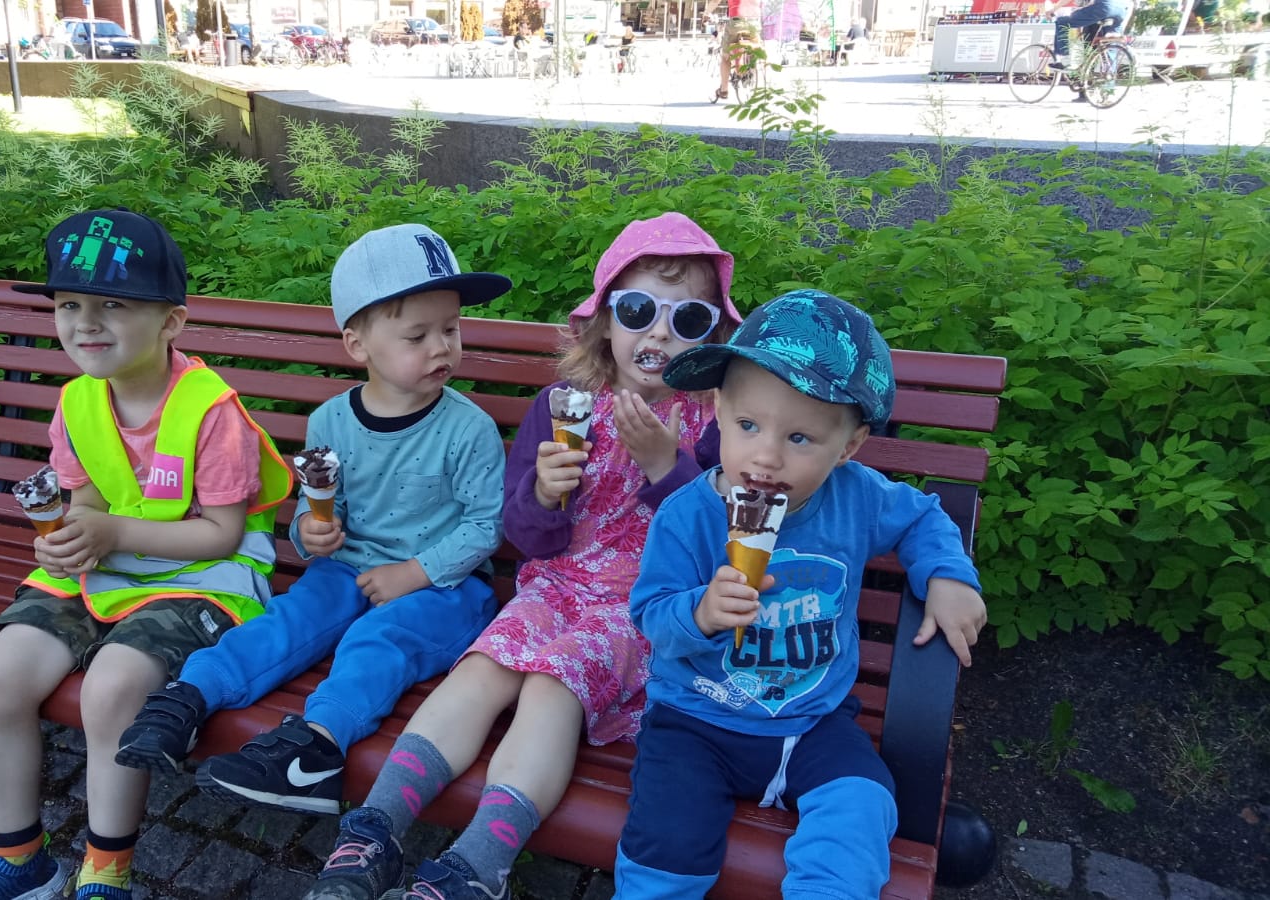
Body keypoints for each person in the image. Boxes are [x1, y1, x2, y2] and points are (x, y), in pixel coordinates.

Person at [295, 213, 741, 900]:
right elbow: (529, 537)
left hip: (646, 605)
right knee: (482, 668)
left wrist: (666, 467)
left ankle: (479, 864)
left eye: (687, 320)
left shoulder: (716, 423)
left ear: (711, 334)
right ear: (605, 321)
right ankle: (373, 830)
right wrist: (543, 492)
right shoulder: (565, 407)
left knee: (550, 685)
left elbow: (721, 545)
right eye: (639, 311)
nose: (658, 334)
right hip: (554, 586)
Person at [0, 208, 292, 900]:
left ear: (171, 322)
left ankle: (106, 873)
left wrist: (112, 534)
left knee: (113, 688)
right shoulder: (77, 403)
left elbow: (221, 535)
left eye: (114, 306)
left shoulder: (212, 411)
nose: (86, 324)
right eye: (70, 305)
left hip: (204, 581)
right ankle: (18, 860)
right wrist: (71, 538)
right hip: (108, 570)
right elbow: (90, 501)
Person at [113, 223, 510, 818]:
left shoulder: (468, 428)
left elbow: (485, 525)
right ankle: (189, 697)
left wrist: (415, 572)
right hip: (348, 568)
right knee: (292, 617)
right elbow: (321, 502)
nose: (442, 347)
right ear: (357, 345)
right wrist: (311, 529)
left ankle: (317, 749)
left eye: (450, 330)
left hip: (446, 587)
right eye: (417, 335)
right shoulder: (331, 420)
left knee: (378, 639)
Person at [615, 289, 988, 898]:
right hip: (695, 720)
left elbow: (924, 516)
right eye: (748, 426)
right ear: (717, 412)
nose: (765, 457)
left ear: (849, 447)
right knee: (665, 844)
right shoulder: (687, 515)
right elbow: (651, 616)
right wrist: (701, 612)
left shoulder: (858, 497)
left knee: (863, 803)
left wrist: (947, 576)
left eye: (800, 439)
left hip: (813, 722)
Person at [1049, 0, 1131, 67]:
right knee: (1110, 43)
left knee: (1061, 22)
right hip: (1122, 9)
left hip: (1105, 6)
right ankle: (1109, 79)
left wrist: (1052, 10)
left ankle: (1064, 61)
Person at [713, 14, 760, 101]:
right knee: (753, 47)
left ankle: (724, 90)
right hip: (755, 22)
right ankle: (751, 71)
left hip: (737, 23)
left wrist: (706, 14)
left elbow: (714, 4)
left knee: (725, 57)